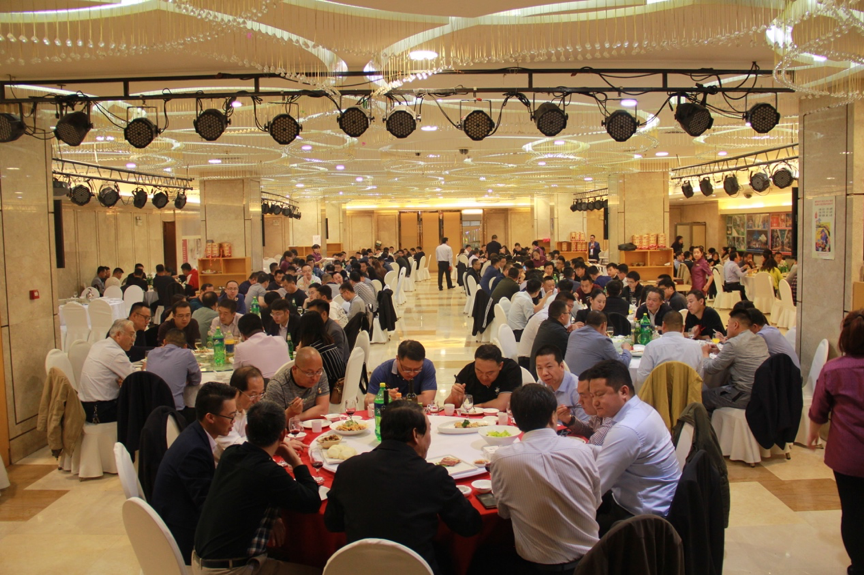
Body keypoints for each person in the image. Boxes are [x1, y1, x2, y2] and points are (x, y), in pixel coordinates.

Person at [325, 401, 481, 574]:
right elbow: (469, 525)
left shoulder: (348, 468)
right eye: (428, 430)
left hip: (358, 568)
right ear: (415, 435)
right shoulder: (432, 476)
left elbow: (333, 523)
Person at [193, 401, 321, 575]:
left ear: (247, 430)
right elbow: (312, 501)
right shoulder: (269, 473)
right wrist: (296, 462)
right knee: (322, 571)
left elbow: (248, 492)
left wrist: (275, 515)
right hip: (230, 570)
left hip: (201, 560)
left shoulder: (231, 454)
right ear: (283, 435)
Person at [488, 384, 600, 575]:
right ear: (553, 416)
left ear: (515, 419)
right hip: (591, 562)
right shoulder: (582, 450)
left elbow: (504, 512)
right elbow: (595, 501)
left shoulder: (503, 459)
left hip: (536, 566)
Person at [588, 360, 680, 531]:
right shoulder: (643, 409)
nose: (595, 402)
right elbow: (620, 453)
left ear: (623, 391)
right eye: (592, 396)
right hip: (663, 500)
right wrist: (583, 449)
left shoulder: (627, 429)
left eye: (600, 394)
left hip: (645, 518)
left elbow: (596, 488)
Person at [152, 382, 237, 564]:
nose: (234, 422)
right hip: (184, 534)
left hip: (183, 514)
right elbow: (207, 505)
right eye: (230, 416)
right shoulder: (194, 450)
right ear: (210, 417)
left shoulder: (195, 433)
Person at [807, 311, 864, 575]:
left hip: (847, 454)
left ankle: (859, 565)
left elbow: (818, 409)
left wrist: (812, 433)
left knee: (853, 511)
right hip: (847, 454)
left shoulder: (834, 369)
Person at [701, 309, 769, 411]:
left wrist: (705, 353)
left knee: (702, 397)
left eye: (728, 325)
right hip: (763, 393)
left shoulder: (733, 343)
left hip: (744, 395)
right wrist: (720, 353)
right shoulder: (759, 339)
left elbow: (710, 368)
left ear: (736, 325)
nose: (727, 329)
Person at [77, 319, 136, 423]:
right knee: (141, 407)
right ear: (118, 335)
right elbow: (136, 378)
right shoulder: (115, 353)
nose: (133, 340)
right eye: (131, 335)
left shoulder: (99, 345)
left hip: (85, 407)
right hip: (100, 410)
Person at [636, 308, 704, 387]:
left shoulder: (652, 346)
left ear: (663, 325)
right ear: (683, 328)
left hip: (659, 393)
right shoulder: (696, 347)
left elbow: (641, 378)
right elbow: (699, 377)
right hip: (688, 393)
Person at [445, 345, 521, 411]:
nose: (484, 377)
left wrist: (480, 406)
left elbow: (503, 405)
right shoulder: (468, 371)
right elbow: (450, 406)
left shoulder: (511, 369)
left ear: (500, 366)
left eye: (489, 373)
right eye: (479, 371)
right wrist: (454, 397)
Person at [263, 347, 329, 422]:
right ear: (294, 369)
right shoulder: (277, 385)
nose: (314, 378)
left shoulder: (320, 373)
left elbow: (323, 409)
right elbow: (274, 423)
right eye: (309, 373)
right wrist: (290, 412)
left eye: (318, 371)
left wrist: (296, 417)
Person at [146, 328, 202, 415]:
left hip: (151, 408)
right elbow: (196, 380)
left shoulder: (151, 353)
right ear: (185, 346)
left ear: (164, 342)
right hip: (175, 408)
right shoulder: (186, 354)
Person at [367, 341, 437, 406]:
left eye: (417, 369)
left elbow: (427, 399)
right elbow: (367, 402)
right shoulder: (382, 371)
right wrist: (384, 397)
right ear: (397, 359)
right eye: (407, 369)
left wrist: (397, 399)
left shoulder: (427, 367)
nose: (412, 374)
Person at [565, 311, 631, 377]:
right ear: (603, 325)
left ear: (585, 322)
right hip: (586, 381)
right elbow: (622, 365)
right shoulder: (602, 340)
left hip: (570, 380)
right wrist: (626, 350)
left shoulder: (574, 334)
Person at [534, 345, 588, 424]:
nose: (544, 373)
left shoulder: (577, 388)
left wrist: (568, 419)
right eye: (539, 368)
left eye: (549, 366)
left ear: (561, 366)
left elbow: (586, 424)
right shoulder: (541, 384)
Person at [216, 366, 265, 451]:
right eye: (253, 395)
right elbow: (238, 448)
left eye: (261, 394)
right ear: (236, 392)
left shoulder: (245, 409)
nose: (257, 400)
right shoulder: (222, 415)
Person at [296, 312, 346, 387]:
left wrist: (300, 351)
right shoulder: (328, 342)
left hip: (328, 387)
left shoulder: (313, 351)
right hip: (340, 384)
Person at [233, 314, 291, 379]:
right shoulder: (281, 340)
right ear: (263, 328)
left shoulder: (241, 348)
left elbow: (236, 376)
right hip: (286, 382)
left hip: (262, 384)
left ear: (242, 335)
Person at [529, 301, 572, 376]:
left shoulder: (545, 324)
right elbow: (570, 351)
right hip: (542, 374)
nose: (569, 315)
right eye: (568, 313)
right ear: (562, 316)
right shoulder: (558, 331)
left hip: (536, 369)